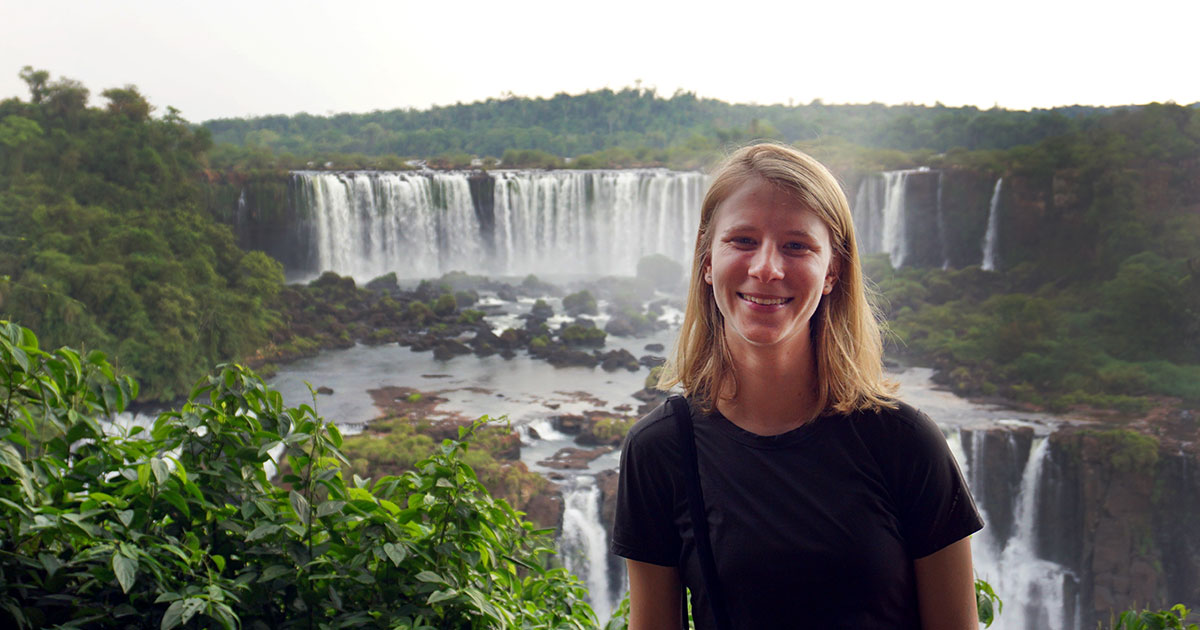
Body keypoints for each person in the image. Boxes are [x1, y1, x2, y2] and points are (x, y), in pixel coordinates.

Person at [610, 143, 983, 630]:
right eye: (742, 240)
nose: (767, 268)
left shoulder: (905, 443)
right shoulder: (659, 452)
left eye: (796, 245)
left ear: (832, 271)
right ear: (706, 259)